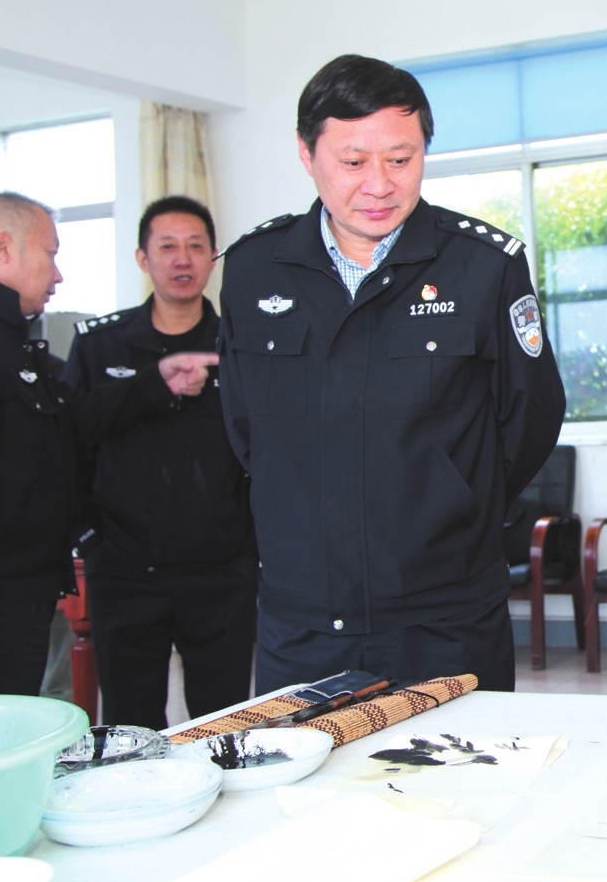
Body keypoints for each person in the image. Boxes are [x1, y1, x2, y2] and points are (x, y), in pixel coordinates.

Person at [218, 54, 566, 694]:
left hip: (446, 614)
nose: (379, 185)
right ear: (306, 153)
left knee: (462, 761)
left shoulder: (484, 267)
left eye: (401, 159)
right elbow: (245, 430)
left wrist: (452, 496)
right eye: (353, 162)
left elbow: (531, 419)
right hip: (304, 619)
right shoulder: (252, 270)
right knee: (302, 763)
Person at [0, 193, 219, 694]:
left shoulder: (0, 339)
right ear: (4, 247)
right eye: (50, 254)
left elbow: (72, 419)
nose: (57, 275)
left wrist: (155, 382)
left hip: (11, 598)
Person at [62, 196, 257, 728]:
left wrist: (251, 547)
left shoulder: (242, 346)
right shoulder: (100, 347)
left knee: (223, 725)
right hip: (125, 571)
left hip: (221, 573)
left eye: (195, 246)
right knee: (131, 725)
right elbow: (70, 438)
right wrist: (89, 538)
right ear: (142, 259)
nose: (182, 259)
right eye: (167, 247)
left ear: (213, 258)